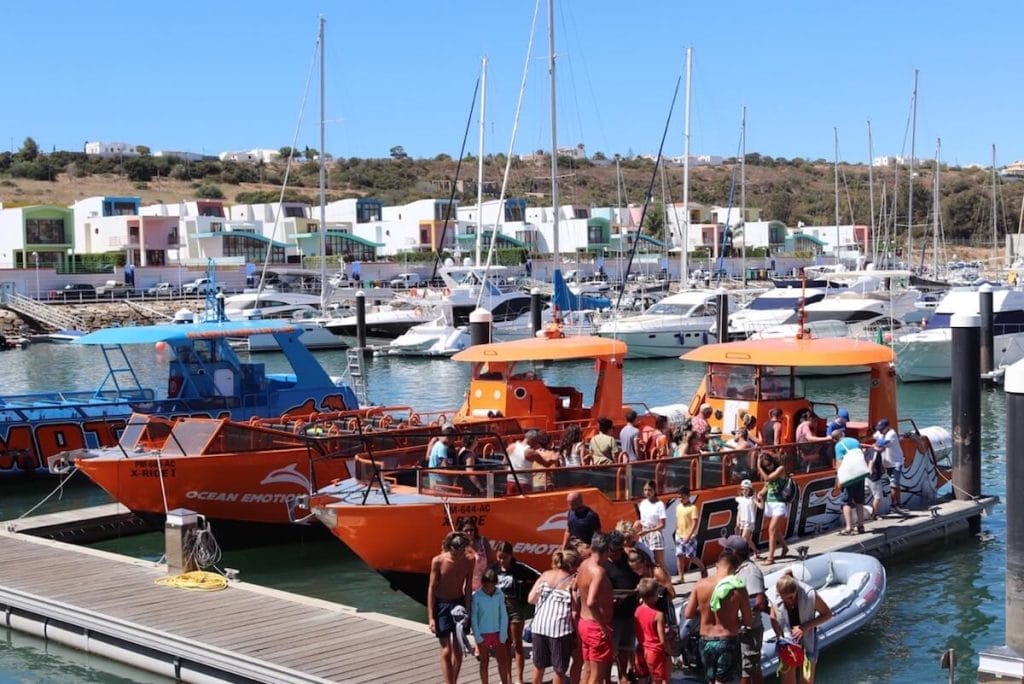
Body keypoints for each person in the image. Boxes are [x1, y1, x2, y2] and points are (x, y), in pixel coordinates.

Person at [684, 551, 752, 684]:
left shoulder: (701, 584)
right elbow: (748, 620)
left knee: (710, 680)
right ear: (736, 568)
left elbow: (688, 614)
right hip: (727, 640)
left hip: (705, 640)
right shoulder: (738, 587)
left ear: (717, 565)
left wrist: (704, 611)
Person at [769, 570, 834, 684]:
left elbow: (827, 614)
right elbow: (773, 617)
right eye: (786, 598)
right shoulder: (775, 596)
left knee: (807, 680)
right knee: (787, 681)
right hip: (787, 643)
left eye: (792, 597)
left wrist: (805, 627)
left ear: (797, 591)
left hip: (808, 639)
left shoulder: (809, 595)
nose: (790, 601)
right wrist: (779, 636)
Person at [429, 531, 476, 684]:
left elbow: (468, 587)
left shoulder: (469, 560)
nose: (460, 555)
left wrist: (468, 610)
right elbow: (432, 588)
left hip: (458, 604)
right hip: (442, 605)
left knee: (458, 649)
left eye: (463, 551)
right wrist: (431, 617)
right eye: (457, 552)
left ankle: (453, 681)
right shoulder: (438, 561)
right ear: (450, 548)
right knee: (446, 650)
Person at [528, 550, 579, 684]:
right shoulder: (572, 581)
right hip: (560, 629)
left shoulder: (545, 575)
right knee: (559, 669)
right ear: (573, 566)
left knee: (539, 666)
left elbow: (531, 599)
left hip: (539, 626)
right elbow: (574, 611)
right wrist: (577, 634)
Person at [723, 535, 768, 684]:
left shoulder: (750, 572)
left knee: (747, 671)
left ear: (734, 553)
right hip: (741, 631)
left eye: (726, 549)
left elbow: (759, 602)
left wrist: (741, 621)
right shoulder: (738, 570)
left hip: (749, 632)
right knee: (752, 669)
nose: (724, 552)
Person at [492, 542, 539, 684]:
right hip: (499, 608)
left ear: (511, 556)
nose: (501, 561)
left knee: (517, 643)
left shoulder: (519, 568)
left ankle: (519, 678)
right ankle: (507, 678)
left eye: (504, 558)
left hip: (515, 608)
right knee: (504, 643)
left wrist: (529, 593)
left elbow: (539, 577)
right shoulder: (493, 569)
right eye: (499, 557)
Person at [603, 530, 640, 684]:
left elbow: (641, 573)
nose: (617, 553)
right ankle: (606, 679)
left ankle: (622, 675)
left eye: (619, 549)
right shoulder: (603, 564)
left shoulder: (628, 558)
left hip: (630, 611)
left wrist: (639, 587)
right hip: (613, 615)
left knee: (626, 648)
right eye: (613, 550)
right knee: (609, 652)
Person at [576, 532, 614, 684]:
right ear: (606, 551)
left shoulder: (583, 565)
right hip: (595, 627)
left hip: (584, 622)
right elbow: (591, 602)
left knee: (588, 671)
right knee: (597, 676)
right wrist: (604, 627)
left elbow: (577, 589)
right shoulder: (598, 571)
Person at [472, 568, 512, 684]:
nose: (489, 589)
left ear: (495, 584)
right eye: (486, 586)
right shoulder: (477, 596)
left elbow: (503, 615)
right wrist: (477, 636)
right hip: (483, 634)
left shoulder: (500, 594)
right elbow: (474, 618)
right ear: (482, 584)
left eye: (491, 586)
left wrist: (503, 634)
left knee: (502, 661)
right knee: (484, 661)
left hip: (498, 633)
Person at [633, 577, 670, 684]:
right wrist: (669, 650)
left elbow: (636, 630)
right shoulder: (658, 615)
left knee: (642, 678)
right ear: (654, 596)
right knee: (658, 679)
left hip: (641, 648)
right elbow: (662, 639)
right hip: (655, 651)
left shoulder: (637, 611)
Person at [758, 452, 790, 565]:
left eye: (768, 465)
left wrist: (758, 466)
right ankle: (784, 547)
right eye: (765, 466)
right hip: (770, 503)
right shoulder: (769, 473)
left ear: (773, 462)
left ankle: (770, 558)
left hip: (779, 503)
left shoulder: (780, 469)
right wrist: (759, 494)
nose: (768, 467)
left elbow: (768, 478)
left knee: (772, 529)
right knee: (775, 529)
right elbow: (767, 487)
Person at [505, 429, 560, 495]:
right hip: (524, 484)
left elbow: (504, 463)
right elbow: (546, 464)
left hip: (510, 480)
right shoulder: (531, 452)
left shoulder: (511, 447)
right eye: (536, 442)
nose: (537, 444)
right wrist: (554, 459)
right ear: (532, 440)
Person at [674, 484, 706, 582]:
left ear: (688, 496)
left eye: (683, 497)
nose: (681, 499)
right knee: (679, 556)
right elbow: (678, 520)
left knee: (691, 557)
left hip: (690, 536)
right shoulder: (678, 507)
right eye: (679, 497)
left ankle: (703, 568)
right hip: (679, 535)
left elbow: (694, 523)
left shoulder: (693, 508)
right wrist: (677, 532)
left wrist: (689, 535)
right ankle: (681, 577)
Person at [873, 418, 905, 512]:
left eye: (882, 428)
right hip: (886, 463)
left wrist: (875, 445)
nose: (880, 430)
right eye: (879, 429)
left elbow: (883, 443)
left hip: (896, 463)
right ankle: (899, 504)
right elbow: (874, 436)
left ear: (887, 427)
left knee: (894, 485)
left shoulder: (892, 434)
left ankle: (893, 505)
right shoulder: (880, 432)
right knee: (896, 484)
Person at [637, 480, 668, 570]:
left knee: (659, 562)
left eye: (649, 490)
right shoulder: (642, 504)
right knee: (646, 560)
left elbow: (663, 525)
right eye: (645, 490)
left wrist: (649, 531)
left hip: (655, 533)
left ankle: (667, 581)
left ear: (654, 490)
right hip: (644, 533)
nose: (647, 492)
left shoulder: (659, 504)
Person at [462, 519, 494, 591]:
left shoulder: (483, 541)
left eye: (471, 530)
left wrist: (487, 579)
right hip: (465, 585)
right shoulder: (460, 544)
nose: (469, 532)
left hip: (483, 585)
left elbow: (491, 562)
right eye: (466, 530)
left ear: (475, 530)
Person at [735, 480, 761, 559]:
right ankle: (756, 552)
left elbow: (760, 506)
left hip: (749, 521)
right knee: (748, 540)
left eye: (746, 489)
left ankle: (743, 557)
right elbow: (739, 511)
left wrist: (761, 500)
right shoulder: (740, 499)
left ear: (750, 490)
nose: (744, 491)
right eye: (743, 489)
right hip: (742, 521)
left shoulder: (752, 499)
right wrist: (737, 523)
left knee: (743, 539)